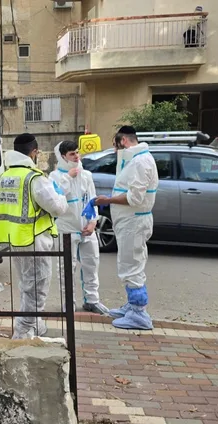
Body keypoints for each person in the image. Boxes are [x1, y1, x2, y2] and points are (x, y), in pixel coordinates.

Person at [0, 133, 68, 339]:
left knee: (27, 284)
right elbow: (57, 207)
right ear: (34, 152)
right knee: (37, 287)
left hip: (15, 239)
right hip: (35, 240)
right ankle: (24, 329)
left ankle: (34, 322)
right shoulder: (34, 178)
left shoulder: (3, 177)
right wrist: (61, 196)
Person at [93, 126, 158, 330]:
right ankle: (133, 305)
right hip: (130, 222)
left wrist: (107, 200)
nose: (114, 150)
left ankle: (139, 314)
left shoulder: (140, 162)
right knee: (130, 264)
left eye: (115, 145)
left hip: (134, 222)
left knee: (132, 267)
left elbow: (135, 198)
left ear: (123, 141)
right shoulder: (136, 160)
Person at [48, 140, 110, 315]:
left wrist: (93, 222)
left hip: (86, 228)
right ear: (63, 157)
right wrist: (68, 177)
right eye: (72, 154)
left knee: (91, 264)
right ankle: (68, 303)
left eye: (77, 152)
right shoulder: (54, 177)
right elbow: (55, 198)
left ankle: (92, 300)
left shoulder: (86, 175)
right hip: (66, 228)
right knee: (66, 267)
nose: (76, 156)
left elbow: (92, 200)